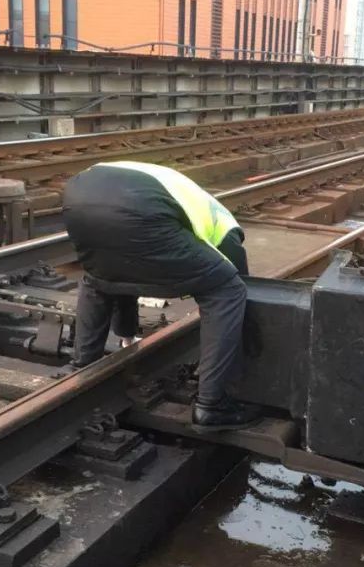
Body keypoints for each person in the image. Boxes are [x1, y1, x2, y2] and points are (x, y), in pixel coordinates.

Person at [61, 161, 259, 431]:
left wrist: (127, 332)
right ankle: (212, 406)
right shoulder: (226, 228)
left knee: (100, 276)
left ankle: (82, 367)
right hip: (138, 204)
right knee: (229, 291)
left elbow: (126, 273)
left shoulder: (184, 196)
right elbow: (235, 278)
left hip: (79, 194)